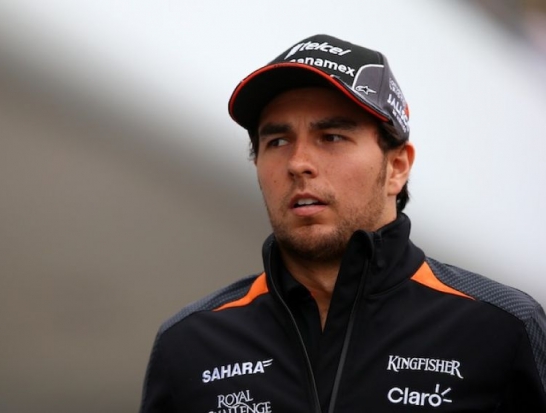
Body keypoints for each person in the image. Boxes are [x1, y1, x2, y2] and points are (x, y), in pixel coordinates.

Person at [139, 34, 546, 412]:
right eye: (277, 141)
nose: (298, 163)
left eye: (331, 137)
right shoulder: (190, 344)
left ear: (397, 167)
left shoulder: (502, 326)